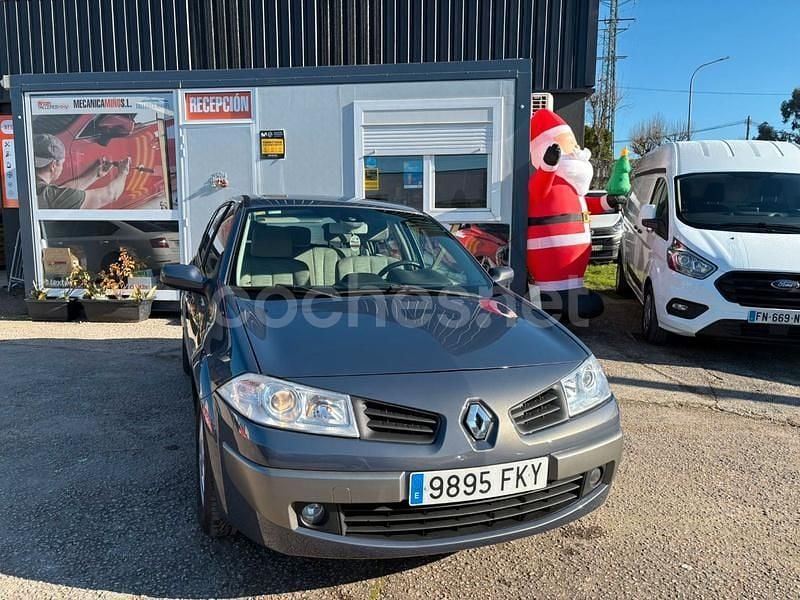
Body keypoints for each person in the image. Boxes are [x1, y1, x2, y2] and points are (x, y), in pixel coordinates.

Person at [33, 133, 131, 209]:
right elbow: (111, 195)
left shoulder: (35, 187)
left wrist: (95, 175)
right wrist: (123, 172)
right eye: (62, 163)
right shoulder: (51, 198)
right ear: (53, 165)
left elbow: (62, 193)